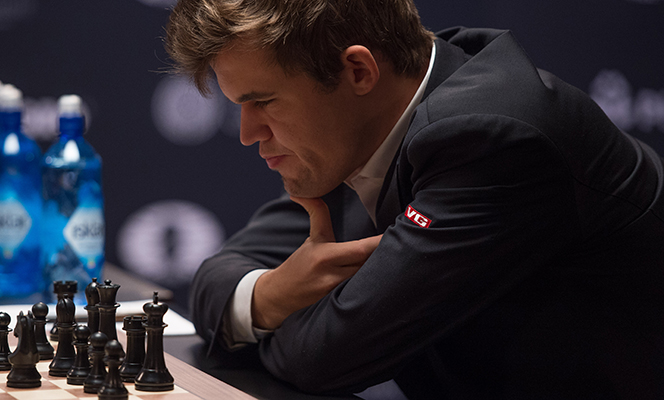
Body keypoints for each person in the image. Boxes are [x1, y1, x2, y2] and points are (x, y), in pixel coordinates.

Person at [164, 0, 664, 398]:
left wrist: (272, 323)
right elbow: (219, 273)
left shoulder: (490, 137)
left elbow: (327, 358)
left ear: (358, 71)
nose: (248, 133)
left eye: (263, 102)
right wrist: (271, 296)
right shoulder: (355, 128)